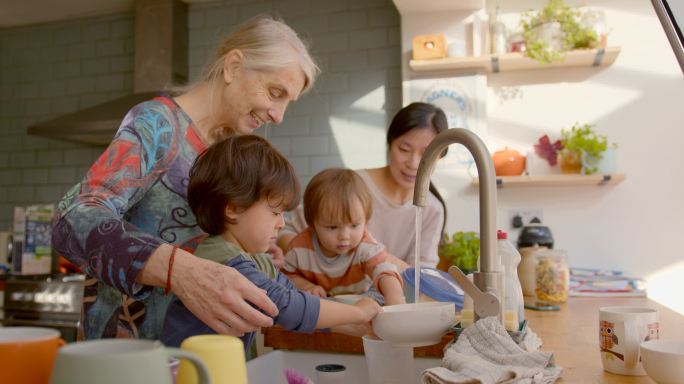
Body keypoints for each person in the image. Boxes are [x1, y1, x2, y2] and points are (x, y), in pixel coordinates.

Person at [51, 15, 320, 340]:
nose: (278, 116)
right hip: (136, 359)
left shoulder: (231, 151)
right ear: (234, 66)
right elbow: (73, 217)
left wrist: (252, 254)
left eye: (287, 103)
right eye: (275, 93)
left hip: (210, 357)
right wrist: (178, 270)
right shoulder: (158, 125)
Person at [162, 135, 381, 354]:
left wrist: (363, 323)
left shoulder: (256, 260)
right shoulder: (222, 259)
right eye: (275, 212)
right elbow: (287, 307)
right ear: (234, 208)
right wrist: (358, 313)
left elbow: (295, 297)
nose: (281, 223)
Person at [278, 102, 448, 268]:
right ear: (390, 145)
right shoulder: (354, 185)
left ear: (441, 156)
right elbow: (284, 232)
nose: (413, 163)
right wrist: (321, 271)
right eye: (404, 149)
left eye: (426, 154)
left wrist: (378, 259)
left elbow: (422, 275)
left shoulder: (433, 209)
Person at [282, 168, 406, 306]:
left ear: (366, 220)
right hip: (322, 305)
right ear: (312, 224)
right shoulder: (299, 249)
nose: (345, 236)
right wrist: (307, 287)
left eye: (354, 225)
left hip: (361, 300)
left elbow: (385, 270)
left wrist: (395, 298)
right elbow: (287, 276)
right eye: (332, 227)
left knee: (378, 297)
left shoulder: (365, 247)